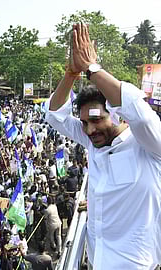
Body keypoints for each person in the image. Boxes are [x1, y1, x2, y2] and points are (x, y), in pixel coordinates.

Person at [46, 23, 161, 269]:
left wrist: (91, 68)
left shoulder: (150, 146)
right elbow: (55, 115)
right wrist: (71, 74)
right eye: (85, 122)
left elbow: (141, 115)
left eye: (97, 120)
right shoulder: (93, 142)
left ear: (118, 114)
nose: (89, 130)